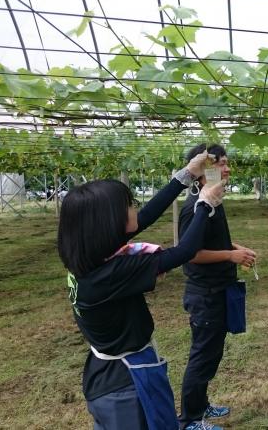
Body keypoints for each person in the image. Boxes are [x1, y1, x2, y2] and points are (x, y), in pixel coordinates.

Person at [58, 152, 224, 430]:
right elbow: (184, 251)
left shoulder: (91, 256)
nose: (136, 207)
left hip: (106, 371)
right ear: (108, 221)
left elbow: (145, 217)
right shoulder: (112, 274)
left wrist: (186, 175)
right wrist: (205, 205)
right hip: (125, 382)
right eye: (130, 204)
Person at [178, 144, 256, 430]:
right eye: (221, 163)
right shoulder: (194, 209)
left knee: (212, 353)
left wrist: (236, 249)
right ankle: (189, 420)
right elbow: (191, 252)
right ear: (201, 171)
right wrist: (230, 255)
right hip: (205, 295)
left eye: (226, 162)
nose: (227, 168)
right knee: (202, 357)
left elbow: (210, 242)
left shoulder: (212, 201)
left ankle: (200, 405)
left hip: (218, 291)